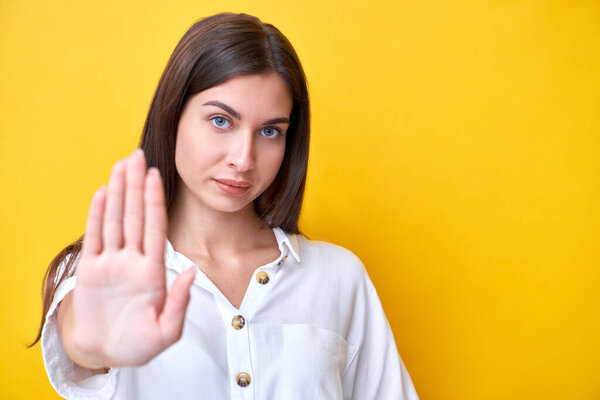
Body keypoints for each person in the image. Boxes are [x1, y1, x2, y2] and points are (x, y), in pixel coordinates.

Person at [30, 12, 419, 399]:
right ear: (173, 115)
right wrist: (96, 343)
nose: (244, 158)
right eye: (220, 120)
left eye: (270, 131)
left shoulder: (338, 277)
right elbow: (83, 339)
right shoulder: (110, 268)